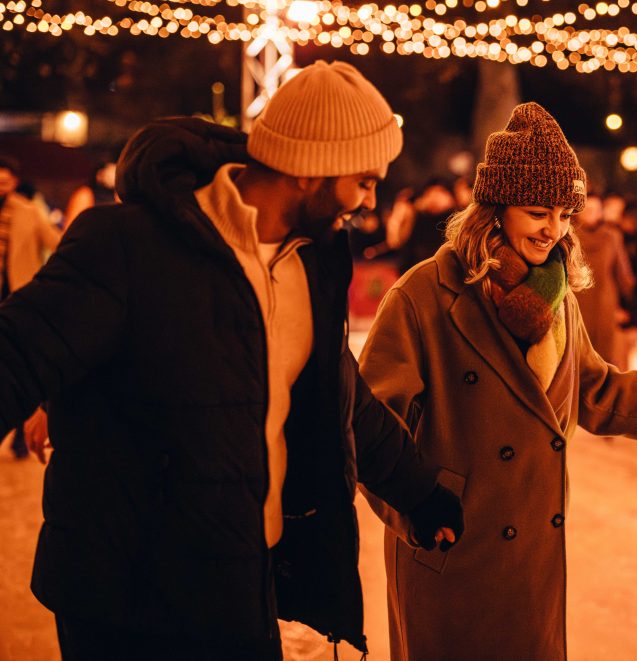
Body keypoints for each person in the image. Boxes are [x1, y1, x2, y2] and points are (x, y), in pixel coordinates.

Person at [0, 61, 463, 660]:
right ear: (311, 167)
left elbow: (336, 398)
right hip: (123, 600)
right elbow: (16, 356)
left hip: (240, 580)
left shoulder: (310, 263)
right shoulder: (128, 244)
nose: (369, 198)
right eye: (365, 179)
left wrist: (420, 492)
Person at [358, 102, 637, 661]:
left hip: (529, 562)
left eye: (564, 214)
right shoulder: (424, 296)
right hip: (452, 547)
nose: (554, 230)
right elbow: (371, 427)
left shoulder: (556, 297)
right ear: (494, 210)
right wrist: (418, 510)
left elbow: (601, 392)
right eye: (537, 212)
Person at [0, 155, 61, 460]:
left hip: (17, 299)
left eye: (6, 180)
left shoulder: (28, 212)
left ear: (14, 182)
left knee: (20, 369)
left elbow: (57, 241)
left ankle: (20, 437)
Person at [573, 190, 635, 368]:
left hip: (604, 303)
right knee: (577, 354)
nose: (591, 214)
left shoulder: (611, 236)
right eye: (587, 209)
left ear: (601, 212)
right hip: (578, 300)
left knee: (604, 357)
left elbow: (623, 273)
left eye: (595, 209)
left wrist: (629, 304)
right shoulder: (570, 235)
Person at [63, 159, 119, 230]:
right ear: (99, 175)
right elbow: (70, 229)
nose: (114, 174)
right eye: (111, 171)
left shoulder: (118, 196)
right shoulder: (85, 194)